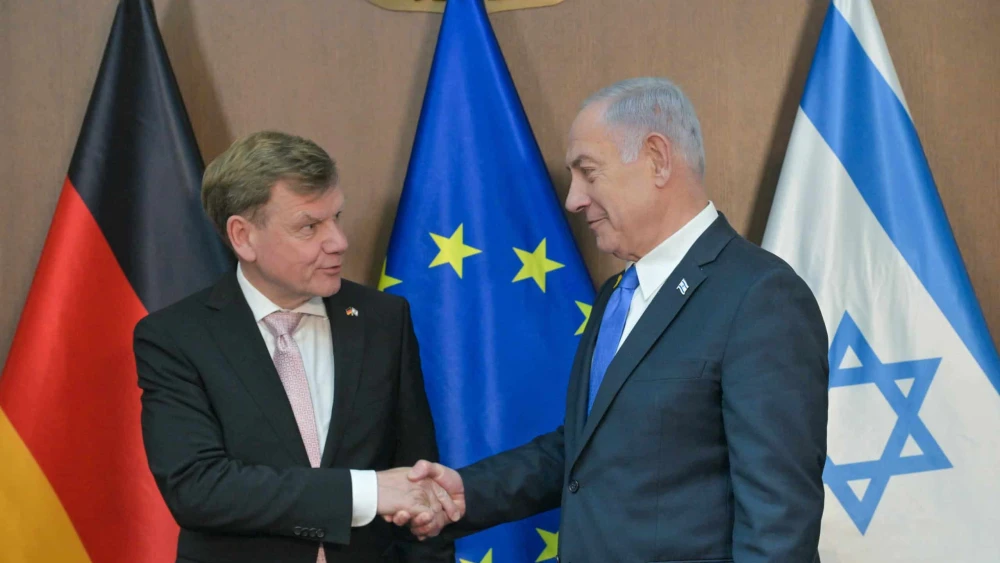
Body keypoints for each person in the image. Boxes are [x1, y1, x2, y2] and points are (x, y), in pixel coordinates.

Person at [401, 77, 830, 562]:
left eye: (588, 172)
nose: (573, 200)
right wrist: (468, 492)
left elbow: (778, 521)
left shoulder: (760, 296)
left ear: (656, 158)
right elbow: (588, 450)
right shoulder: (616, 296)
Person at [134, 131, 458, 563]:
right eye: (309, 226)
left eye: (336, 217)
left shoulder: (383, 319)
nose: (338, 241)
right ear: (243, 236)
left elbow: (418, 482)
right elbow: (198, 488)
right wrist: (366, 491)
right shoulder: (176, 337)